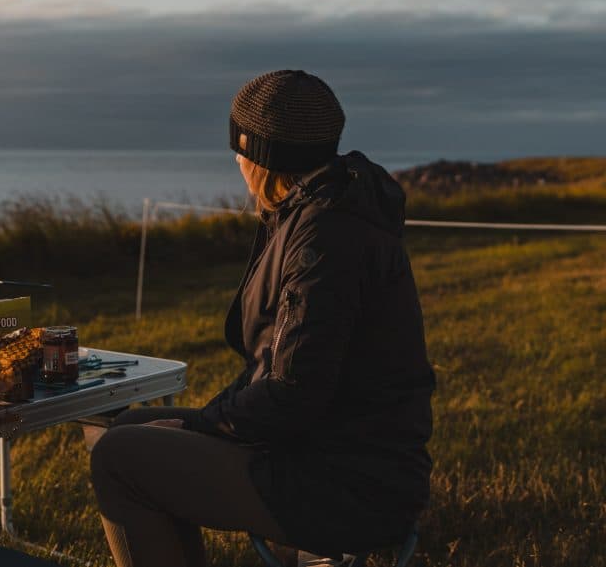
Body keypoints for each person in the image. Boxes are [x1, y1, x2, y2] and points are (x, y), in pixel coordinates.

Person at [89, 70, 436, 567]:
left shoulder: (325, 238)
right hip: (330, 449)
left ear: (265, 157)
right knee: (136, 426)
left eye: (241, 150)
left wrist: (206, 425)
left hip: (346, 481)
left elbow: (295, 389)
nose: (235, 161)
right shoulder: (321, 208)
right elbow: (282, 363)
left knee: (118, 459)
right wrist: (207, 425)